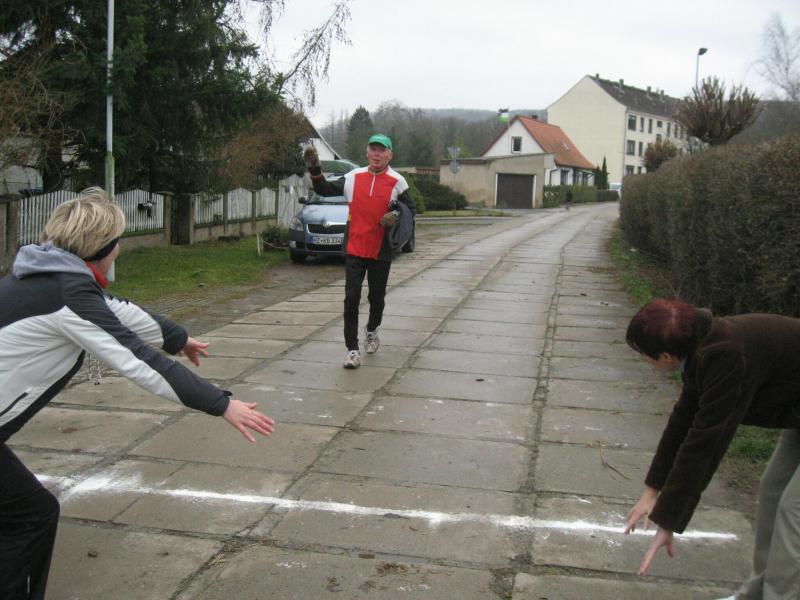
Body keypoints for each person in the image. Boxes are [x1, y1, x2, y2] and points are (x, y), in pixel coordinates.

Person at [0, 188, 275, 599]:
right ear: (103, 248)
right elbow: (138, 361)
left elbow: (120, 312)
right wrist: (222, 404)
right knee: (31, 516)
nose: (119, 251)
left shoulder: (48, 278)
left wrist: (178, 338)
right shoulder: (68, 295)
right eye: (117, 243)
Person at [624, 298, 800, 599]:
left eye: (644, 355)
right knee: (772, 491)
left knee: (793, 510)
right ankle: (757, 593)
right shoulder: (703, 347)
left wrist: (668, 520)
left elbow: (705, 443)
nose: (644, 360)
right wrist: (652, 491)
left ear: (666, 355)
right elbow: (682, 423)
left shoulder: (727, 357)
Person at [303, 134, 416, 369]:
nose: (377, 154)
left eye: (381, 150)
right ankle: (352, 350)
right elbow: (323, 189)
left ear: (389, 155)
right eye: (373, 149)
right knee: (351, 297)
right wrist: (314, 168)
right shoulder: (353, 177)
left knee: (376, 298)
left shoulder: (398, 181)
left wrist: (395, 215)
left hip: (381, 250)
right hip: (355, 247)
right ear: (367, 152)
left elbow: (410, 209)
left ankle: (372, 330)